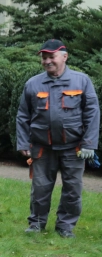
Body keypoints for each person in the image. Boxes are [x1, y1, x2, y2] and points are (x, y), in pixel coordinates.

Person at [16, 39, 100, 239]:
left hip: (74, 148)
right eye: (44, 57)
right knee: (40, 188)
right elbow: (23, 115)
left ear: (64, 56)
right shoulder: (33, 83)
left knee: (72, 189)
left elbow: (92, 113)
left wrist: (89, 143)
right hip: (42, 147)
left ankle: (65, 226)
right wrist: (23, 143)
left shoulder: (81, 81)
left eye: (51, 57)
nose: (47, 61)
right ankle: (36, 223)